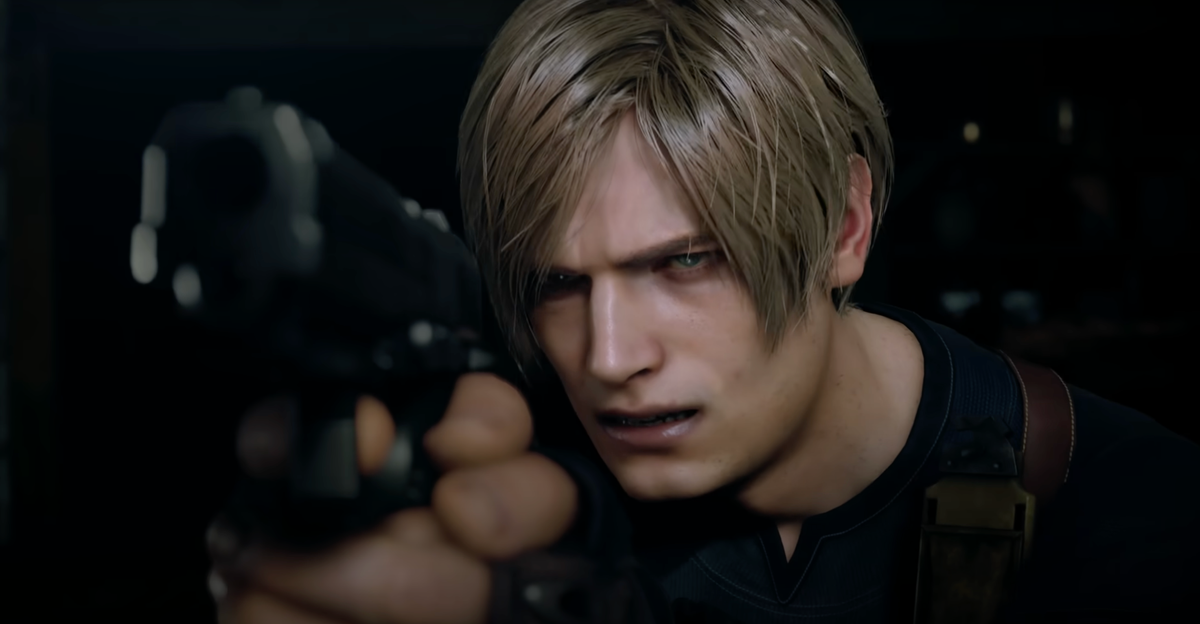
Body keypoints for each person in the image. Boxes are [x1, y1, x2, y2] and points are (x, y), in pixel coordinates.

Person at [207, 0, 1200, 622]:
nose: (607, 357)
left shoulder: (1130, 509)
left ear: (846, 226)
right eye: (558, 282)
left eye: (685, 261)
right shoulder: (514, 491)